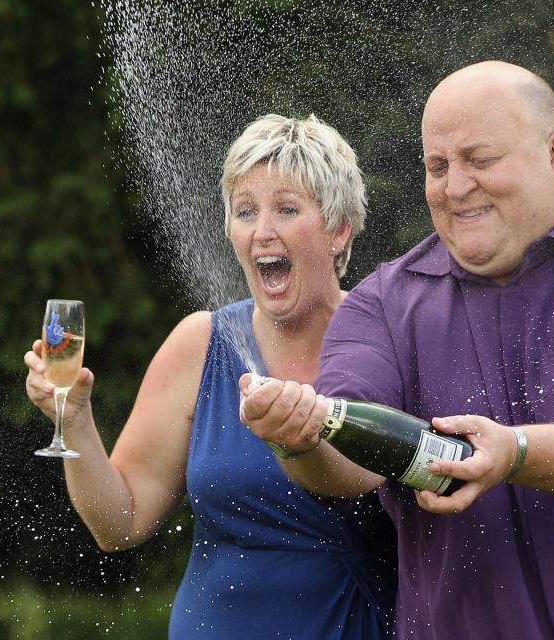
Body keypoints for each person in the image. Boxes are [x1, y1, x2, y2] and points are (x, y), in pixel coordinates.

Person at [240, 61, 554, 640]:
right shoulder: (380, 306)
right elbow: (348, 468)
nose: (455, 187)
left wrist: (516, 451)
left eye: (480, 161)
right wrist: (298, 440)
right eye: (437, 167)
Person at [24, 114, 396, 639]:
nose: (263, 231)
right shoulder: (200, 344)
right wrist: (76, 420)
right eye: (246, 211)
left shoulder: (390, 340)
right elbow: (119, 523)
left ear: (338, 230)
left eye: (287, 209)